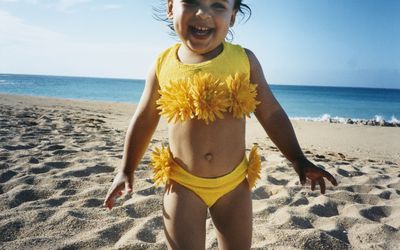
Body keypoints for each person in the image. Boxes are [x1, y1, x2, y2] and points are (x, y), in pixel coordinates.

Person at [104, 0, 338, 249]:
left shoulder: (244, 60)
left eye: (217, 5)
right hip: (183, 185)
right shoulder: (163, 64)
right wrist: (126, 169)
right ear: (171, 7)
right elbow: (145, 118)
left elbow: (270, 113)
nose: (203, 13)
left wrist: (297, 158)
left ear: (233, 16)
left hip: (234, 186)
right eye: (191, 2)